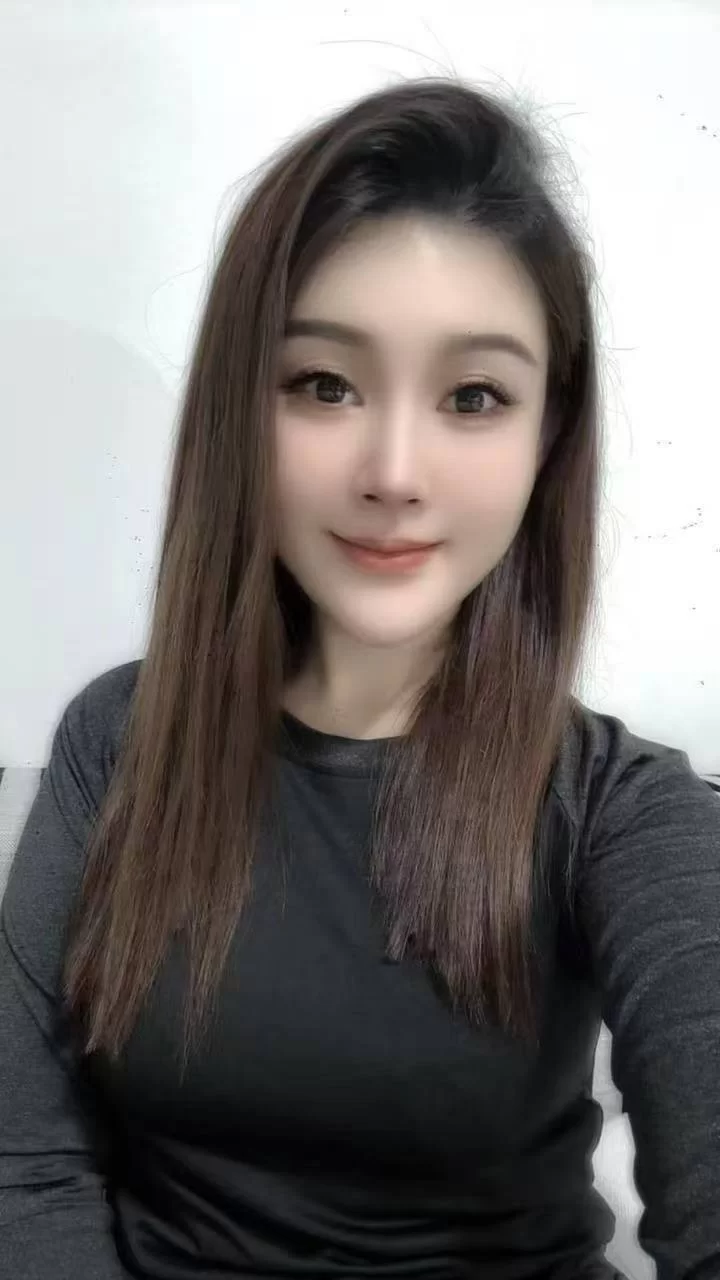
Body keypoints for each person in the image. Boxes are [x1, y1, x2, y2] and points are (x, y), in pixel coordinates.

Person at [0, 77, 718, 1280]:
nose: (393, 470)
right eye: (323, 384)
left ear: (547, 438)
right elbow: (24, 1161)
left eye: (474, 397)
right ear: (242, 405)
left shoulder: (621, 810)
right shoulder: (116, 740)